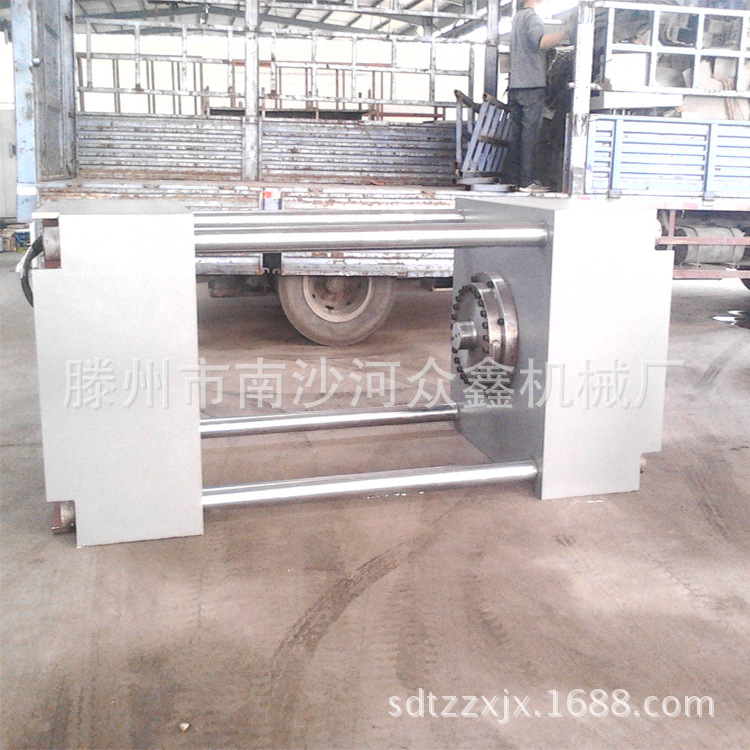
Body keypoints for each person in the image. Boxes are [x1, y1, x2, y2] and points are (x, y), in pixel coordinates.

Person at [506, 0, 567, 191]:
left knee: (517, 135)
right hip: (532, 86)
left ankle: (513, 179)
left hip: (516, 86)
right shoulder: (532, 18)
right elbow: (540, 42)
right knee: (530, 136)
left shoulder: (517, 17)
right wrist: (565, 32)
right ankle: (527, 181)